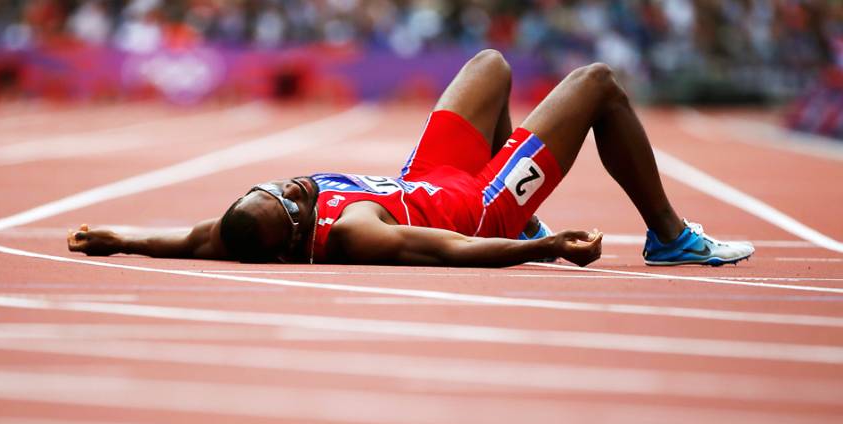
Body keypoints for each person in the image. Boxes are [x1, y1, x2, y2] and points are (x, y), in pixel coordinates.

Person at [68, 50, 754, 267]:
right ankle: (671, 239)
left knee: (488, 66)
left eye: (276, 186)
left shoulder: (241, 227)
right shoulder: (354, 228)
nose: (293, 185)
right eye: (293, 198)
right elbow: (450, 250)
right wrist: (543, 250)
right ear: (302, 229)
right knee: (597, 84)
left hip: (428, 174)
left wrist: (110, 238)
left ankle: (525, 215)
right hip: (477, 208)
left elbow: (184, 239)